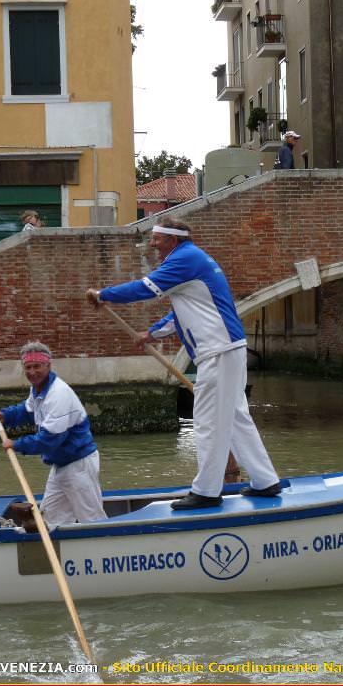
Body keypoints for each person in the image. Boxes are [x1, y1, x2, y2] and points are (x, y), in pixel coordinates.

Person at [87, 216, 281, 510]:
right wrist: (152, 334)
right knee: (236, 418)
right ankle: (265, 481)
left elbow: (145, 288)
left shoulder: (184, 259)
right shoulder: (191, 258)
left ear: (173, 240)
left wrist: (104, 295)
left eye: (157, 239)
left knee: (207, 421)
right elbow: (181, 310)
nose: (152, 244)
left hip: (218, 351)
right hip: (225, 349)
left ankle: (207, 491)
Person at [0, 341, 107, 525]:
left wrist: (17, 445)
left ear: (48, 366)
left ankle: (103, 541)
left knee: (91, 518)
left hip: (78, 464)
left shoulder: (59, 394)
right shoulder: (38, 389)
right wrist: (5, 416)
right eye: (28, 367)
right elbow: (28, 410)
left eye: (37, 366)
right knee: (50, 518)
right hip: (60, 463)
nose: (32, 372)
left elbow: (49, 440)